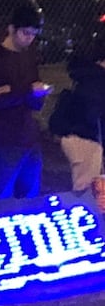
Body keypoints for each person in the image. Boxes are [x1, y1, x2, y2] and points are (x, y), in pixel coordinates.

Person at [0, 1, 51, 200]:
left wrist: (26, 93)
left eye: (33, 34)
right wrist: (26, 91)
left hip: (29, 137)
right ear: (12, 29)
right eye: (25, 33)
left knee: (30, 197)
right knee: (2, 198)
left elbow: (30, 97)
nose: (29, 39)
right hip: (6, 139)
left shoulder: (28, 57)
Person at [52, 37, 105, 193]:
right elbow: (92, 115)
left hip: (84, 136)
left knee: (92, 187)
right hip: (85, 138)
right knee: (87, 189)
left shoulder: (90, 76)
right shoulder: (96, 82)